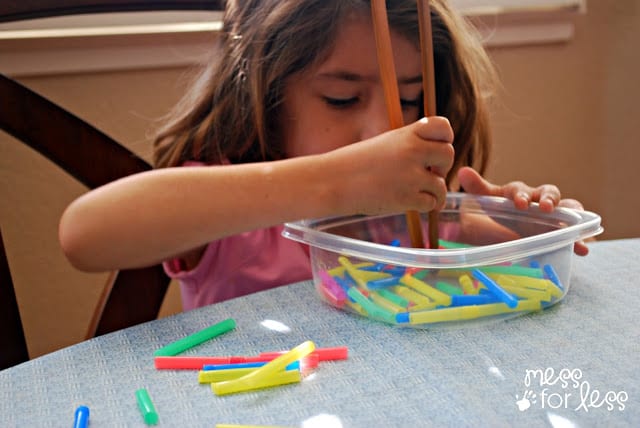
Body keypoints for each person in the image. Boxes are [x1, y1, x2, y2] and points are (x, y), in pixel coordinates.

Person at [58, 0, 588, 310]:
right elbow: (84, 234)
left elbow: (522, 265)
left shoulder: (412, 214)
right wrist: (337, 182)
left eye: (409, 98)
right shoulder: (233, 218)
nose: (388, 128)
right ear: (264, 96)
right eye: (341, 98)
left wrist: (519, 220)